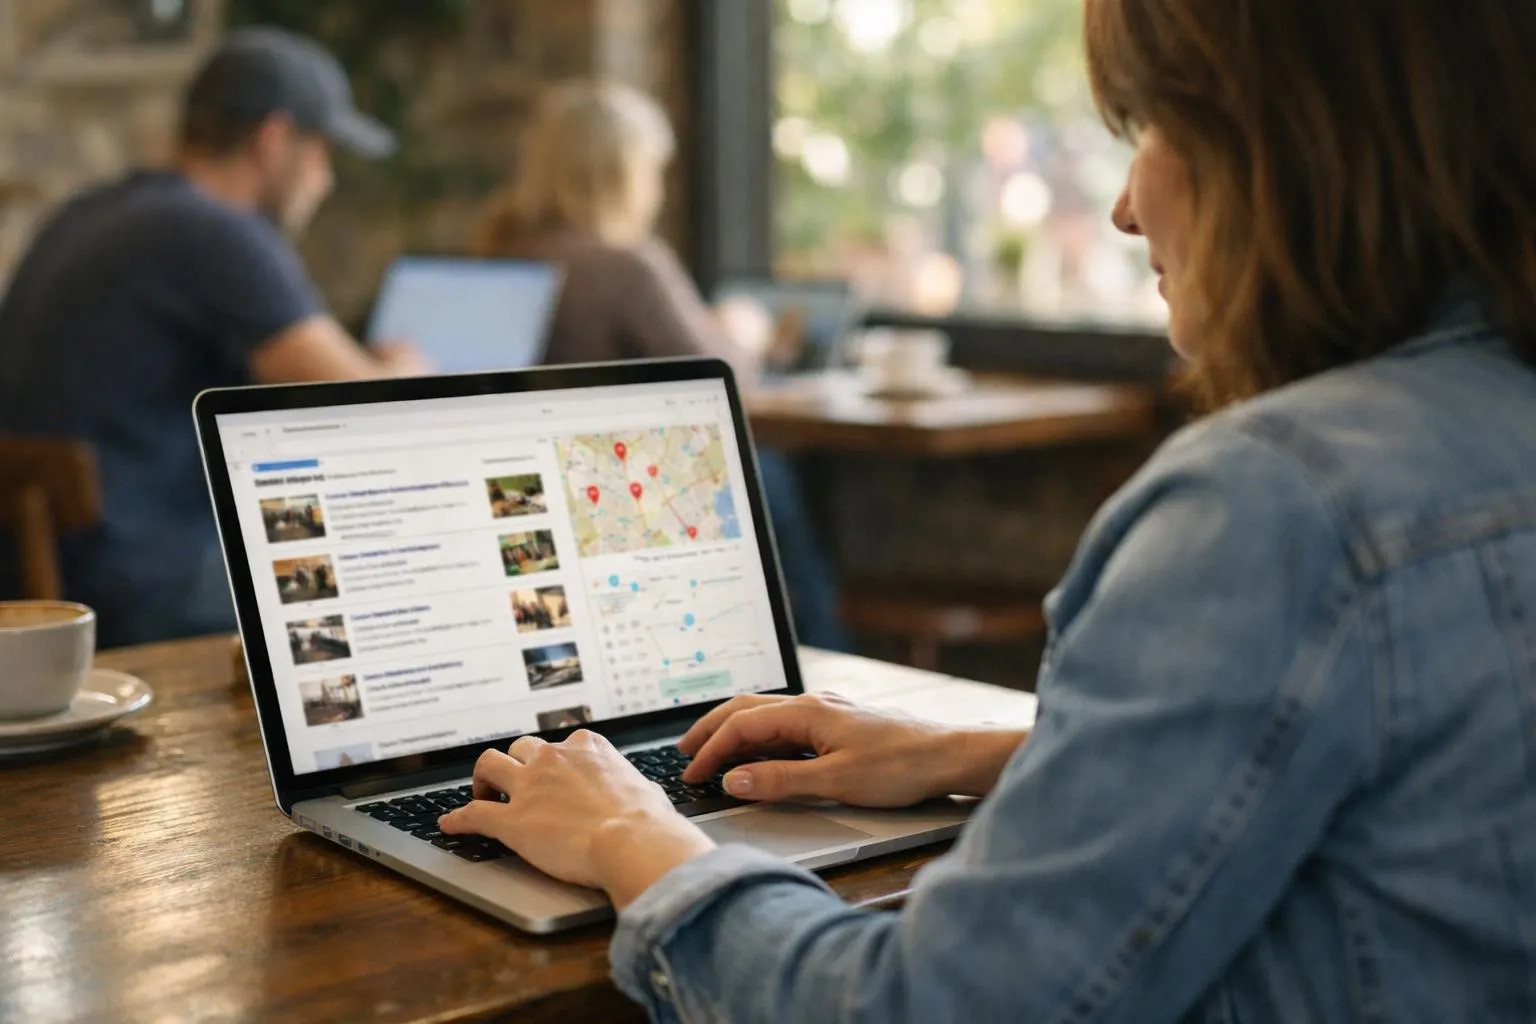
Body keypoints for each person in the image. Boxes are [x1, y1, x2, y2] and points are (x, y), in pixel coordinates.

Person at [438, 2, 1536, 1020]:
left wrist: (632, 835)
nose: (1119, 204)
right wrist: (961, 749)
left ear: (1287, 152)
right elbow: (1376, 769)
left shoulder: (1278, 504)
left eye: (1148, 128)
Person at [0, 28, 431, 648]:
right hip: (136, 585)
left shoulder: (90, 210)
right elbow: (368, 406)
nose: (326, 181)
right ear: (274, 140)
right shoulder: (216, 232)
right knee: (394, 579)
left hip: (40, 574)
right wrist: (406, 367)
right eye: (321, 154)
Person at [473, 80, 853, 653]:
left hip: (527, 484)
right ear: (622, 171)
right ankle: (823, 655)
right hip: (618, 494)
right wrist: (744, 330)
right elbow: (723, 380)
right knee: (766, 465)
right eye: (652, 169)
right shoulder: (625, 265)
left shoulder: (497, 251)